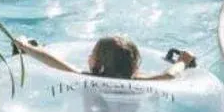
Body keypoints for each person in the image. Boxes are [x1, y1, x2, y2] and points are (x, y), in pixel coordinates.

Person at [11, 34, 197, 80]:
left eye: (92, 53)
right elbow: (169, 76)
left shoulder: (86, 78)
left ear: (97, 62)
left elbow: (52, 61)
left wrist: (25, 46)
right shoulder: (139, 82)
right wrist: (183, 61)